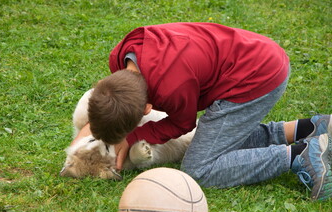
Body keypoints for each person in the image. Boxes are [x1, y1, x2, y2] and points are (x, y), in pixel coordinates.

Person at [74, 22, 332, 201]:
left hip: (255, 78)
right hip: (254, 53)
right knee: (211, 145)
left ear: (147, 109)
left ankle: (302, 154)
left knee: (199, 169)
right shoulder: (121, 56)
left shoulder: (172, 86)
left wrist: (132, 136)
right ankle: (310, 128)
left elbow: (182, 125)